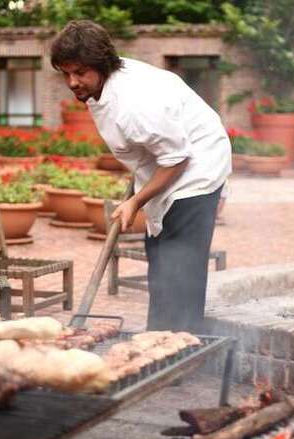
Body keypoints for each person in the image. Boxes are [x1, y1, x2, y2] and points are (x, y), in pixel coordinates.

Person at [50, 20, 232, 333]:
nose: (73, 82)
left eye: (80, 72)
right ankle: (158, 339)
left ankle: (181, 350)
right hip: (174, 158)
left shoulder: (135, 105)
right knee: (160, 258)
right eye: (66, 73)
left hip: (196, 170)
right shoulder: (109, 82)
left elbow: (177, 159)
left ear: (101, 64)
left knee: (182, 270)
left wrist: (135, 201)